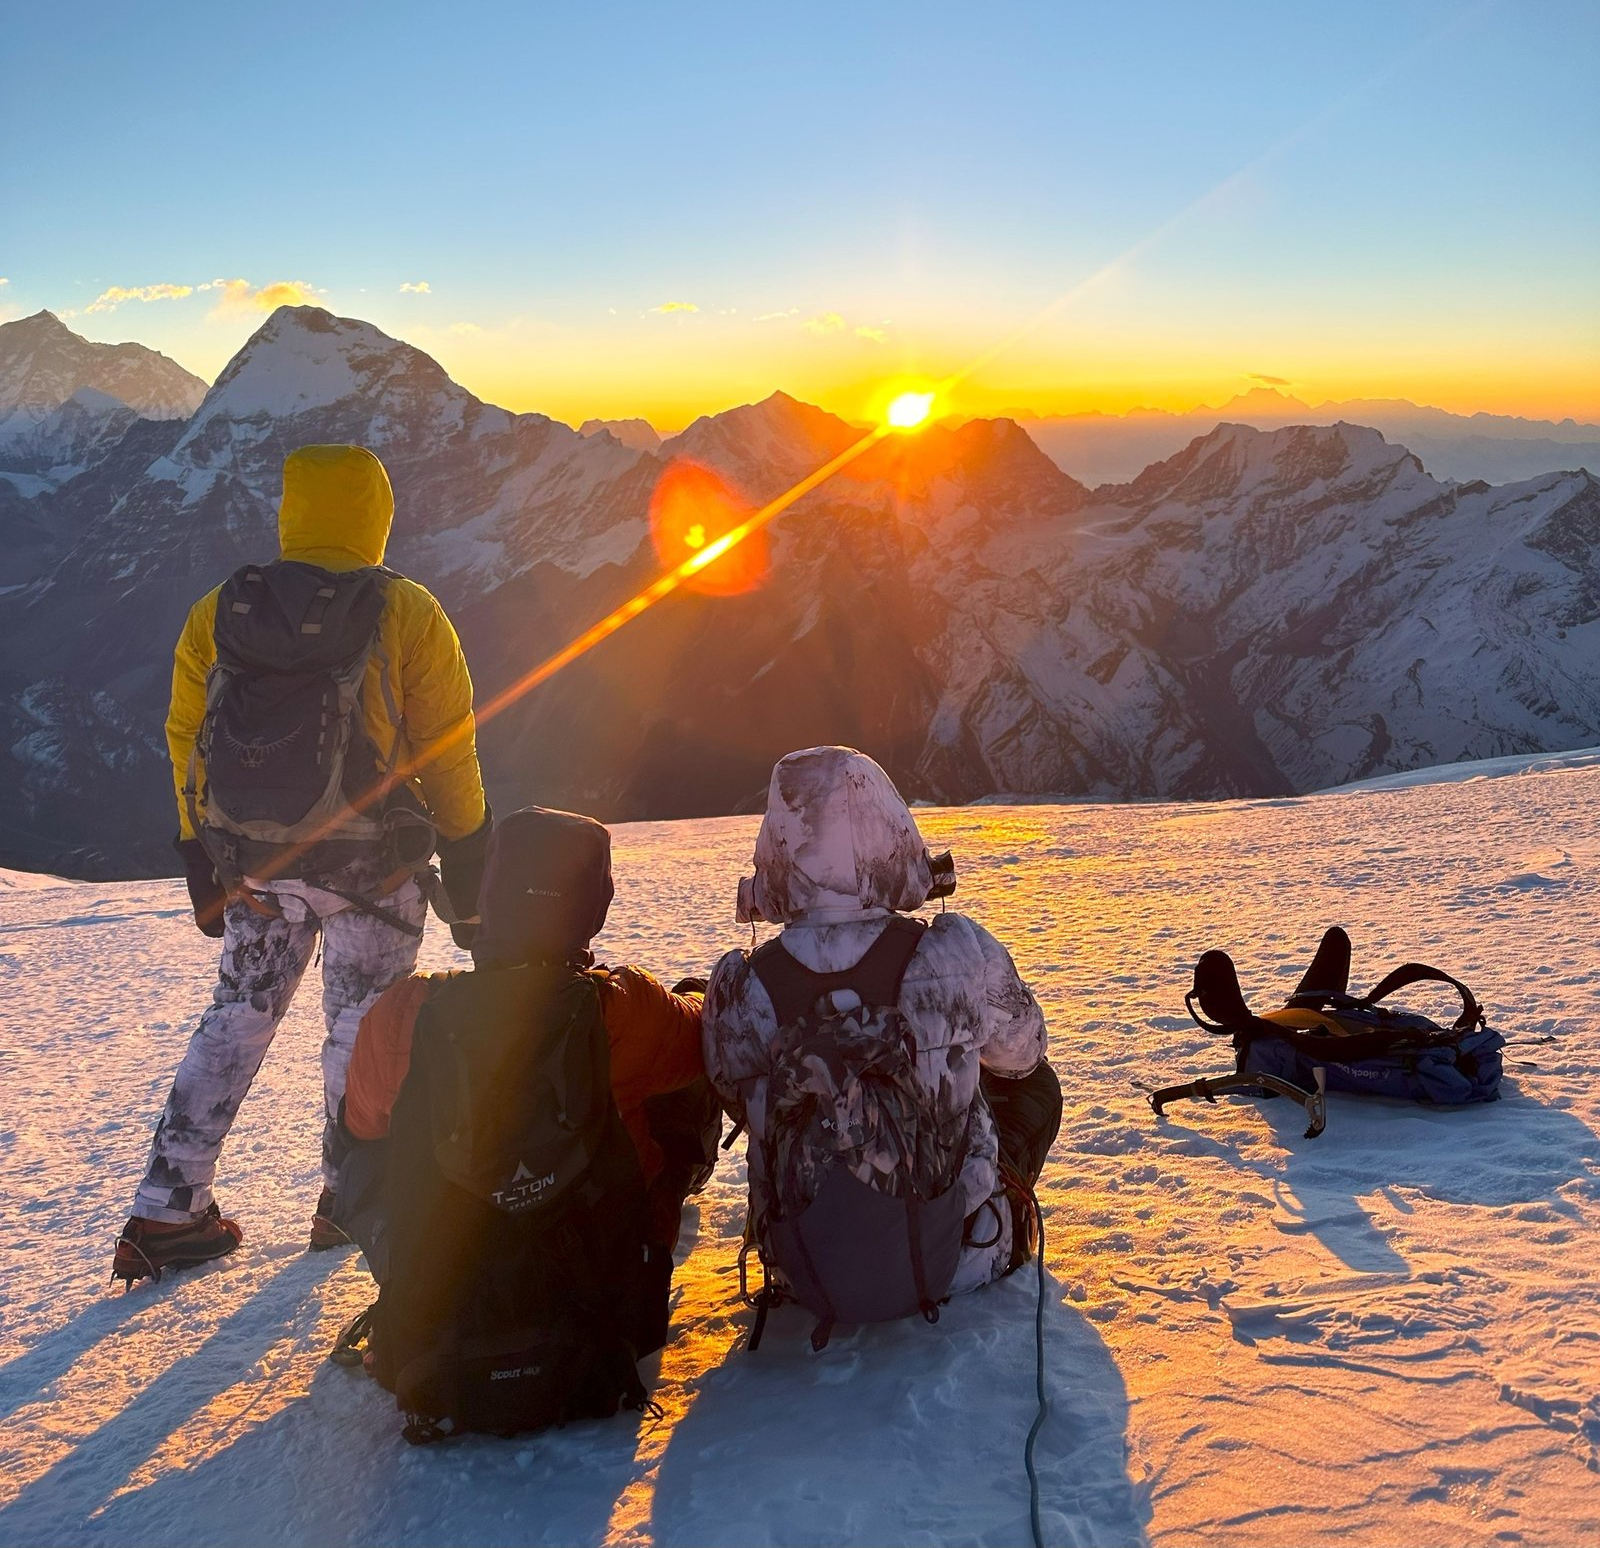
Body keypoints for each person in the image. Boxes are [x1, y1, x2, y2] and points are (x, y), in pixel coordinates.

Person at [113, 444, 491, 1287]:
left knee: (236, 1014)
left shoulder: (221, 608)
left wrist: (198, 856)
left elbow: (186, 737)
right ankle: (347, 1198)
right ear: (376, 515)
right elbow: (449, 754)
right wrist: (469, 859)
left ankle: (166, 1209)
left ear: (290, 512)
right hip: (371, 871)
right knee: (362, 1026)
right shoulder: (406, 610)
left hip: (253, 862)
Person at [332, 806, 717, 1433]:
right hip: (601, 1309)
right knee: (684, 1079)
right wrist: (695, 991)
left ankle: (420, 1285)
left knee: (362, 1147)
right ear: (594, 905)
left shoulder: (408, 1010)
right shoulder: (623, 1008)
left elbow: (361, 1133)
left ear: (488, 892)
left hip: (444, 1312)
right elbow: (705, 1040)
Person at [703, 745, 1061, 1336]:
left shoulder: (743, 986)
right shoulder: (954, 951)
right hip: (960, 1259)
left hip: (802, 1271)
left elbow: (735, 1093)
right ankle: (985, 1216)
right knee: (1034, 1086)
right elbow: (1024, 1053)